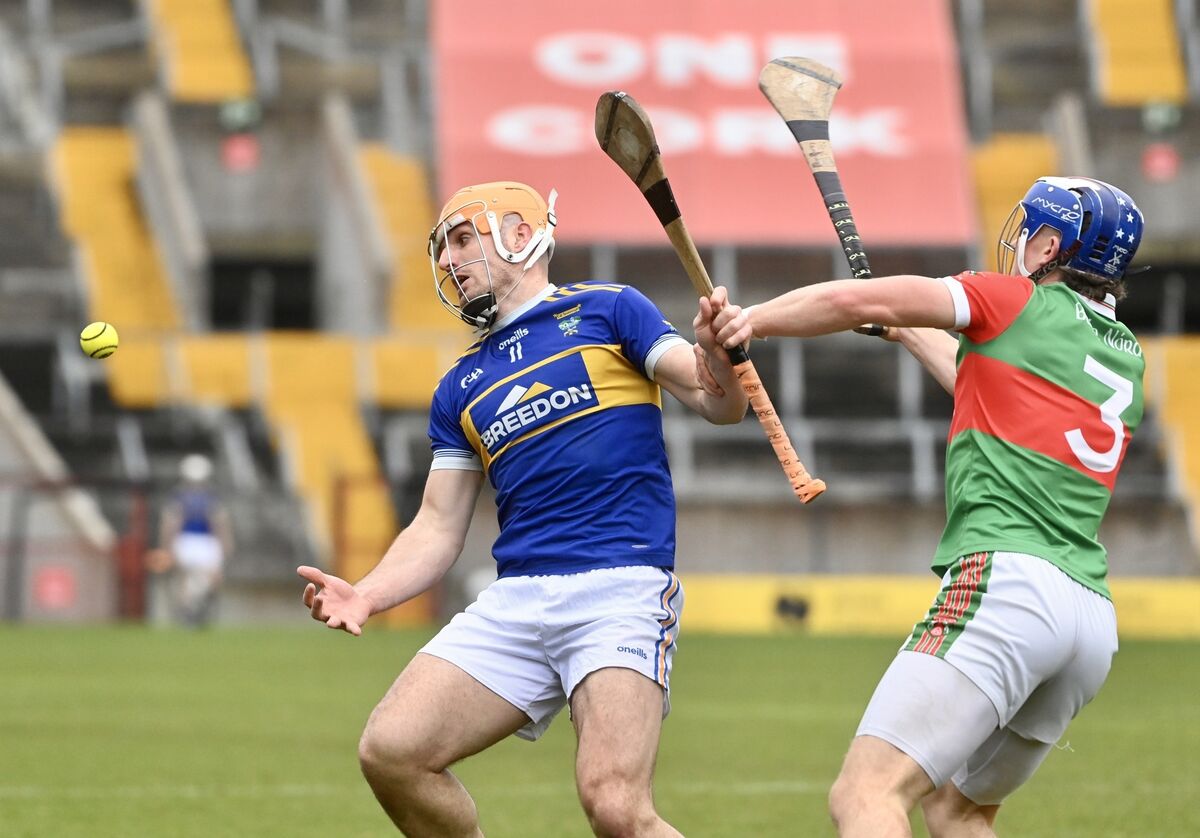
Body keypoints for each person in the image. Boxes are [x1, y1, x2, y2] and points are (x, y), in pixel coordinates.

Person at [298, 181, 748, 837]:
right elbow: (438, 524)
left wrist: (721, 353)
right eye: (443, 250)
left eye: (461, 240)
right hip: (519, 598)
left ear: (518, 232)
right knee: (392, 752)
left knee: (616, 808)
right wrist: (368, 594)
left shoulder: (609, 310)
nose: (449, 262)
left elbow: (717, 403)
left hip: (618, 586)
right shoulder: (460, 386)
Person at [705, 176, 1145, 837]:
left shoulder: (1010, 299)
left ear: (1052, 244)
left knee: (865, 796)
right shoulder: (1126, 356)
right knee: (955, 810)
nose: (1018, 240)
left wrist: (752, 319)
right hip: (1087, 624)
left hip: (1008, 584)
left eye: (1030, 230)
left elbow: (856, 299)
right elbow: (991, 385)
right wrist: (910, 333)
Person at [146, 453, 233, 627]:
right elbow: (220, 524)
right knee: (203, 578)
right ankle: (193, 611)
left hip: (190, 541)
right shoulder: (208, 497)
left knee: (189, 580)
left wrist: (166, 546)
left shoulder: (181, 496)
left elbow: (170, 524)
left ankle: (192, 610)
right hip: (200, 542)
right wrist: (226, 544)